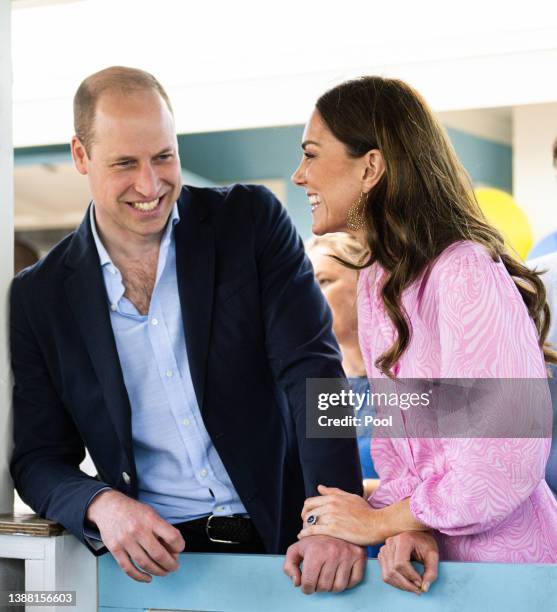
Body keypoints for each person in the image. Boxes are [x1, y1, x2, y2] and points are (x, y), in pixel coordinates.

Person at [9, 66, 366, 593]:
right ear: (81, 156)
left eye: (163, 157)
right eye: (125, 164)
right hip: (159, 572)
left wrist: (335, 521)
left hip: (291, 547)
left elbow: (313, 378)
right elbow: (39, 458)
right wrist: (100, 504)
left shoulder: (249, 222)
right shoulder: (41, 296)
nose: (150, 185)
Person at [291, 76, 557, 595]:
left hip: (512, 576)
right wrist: (408, 523)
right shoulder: (377, 283)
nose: (300, 175)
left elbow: (504, 457)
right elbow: (400, 450)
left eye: (311, 154)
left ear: (370, 167)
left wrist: (378, 522)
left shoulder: (465, 271)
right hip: (430, 577)